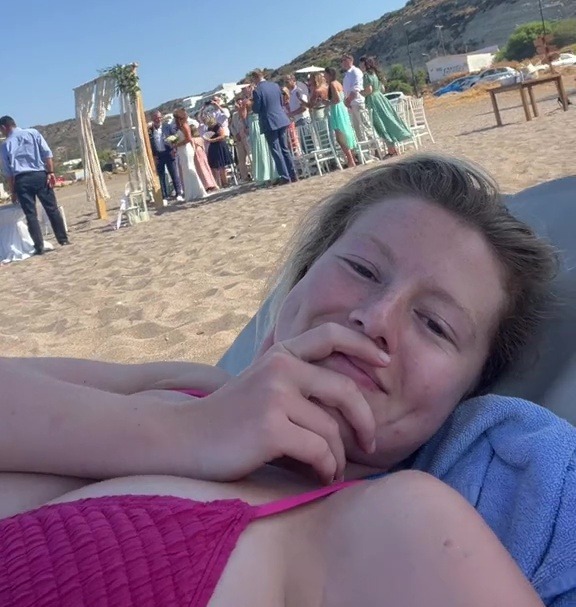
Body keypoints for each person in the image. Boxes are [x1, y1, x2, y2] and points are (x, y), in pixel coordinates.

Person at [1, 154, 574, 606]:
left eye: (435, 324)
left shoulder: (400, 533)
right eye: (361, 269)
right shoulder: (189, 388)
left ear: (464, 397)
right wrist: (187, 430)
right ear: (296, 286)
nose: (375, 319)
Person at [0, 115, 69, 255]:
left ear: (4, 128)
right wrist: (50, 172)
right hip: (39, 175)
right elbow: (47, 154)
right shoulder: (33, 133)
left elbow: (9, 173)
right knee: (52, 209)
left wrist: (13, 192)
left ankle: (39, 246)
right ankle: (63, 239)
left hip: (21, 180)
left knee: (31, 214)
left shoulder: (6, 145)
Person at [250, 69, 297, 186]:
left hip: (269, 122)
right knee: (285, 148)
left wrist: (252, 101)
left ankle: (285, 176)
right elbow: (281, 102)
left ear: (255, 78)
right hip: (281, 118)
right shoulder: (275, 86)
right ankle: (292, 174)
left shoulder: (257, 91)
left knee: (276, 150)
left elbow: (256, 109)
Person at [359, 56, 412, 155]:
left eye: (361, 64)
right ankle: (392, 148)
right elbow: (382, 88)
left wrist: (361, 93)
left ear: (365, 64)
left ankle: (391, 150)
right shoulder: (375, 74)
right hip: (380, 98)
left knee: (380, 124)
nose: (360, 66)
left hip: (373, 100)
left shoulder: (366, 75)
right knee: (387, 121)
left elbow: (369, 90)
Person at [324, 67, 357, 168]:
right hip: (342, 108)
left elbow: (337, 99)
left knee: (340, 137)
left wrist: (326, 102)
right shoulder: (338, 83)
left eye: (325, 74)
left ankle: (350, 160)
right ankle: (352, 158)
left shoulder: (333, 84)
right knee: (345, 133)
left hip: (337, 110)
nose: (324, 76)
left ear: (329, 75)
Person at [171, 108, 207, 201]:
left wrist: (177, 144)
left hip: (186, 149)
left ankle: (196, 192)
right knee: (186, 171)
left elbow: (188, 139)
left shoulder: (185, 125)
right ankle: (191, 192)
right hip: (182, 150)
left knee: (190, 169)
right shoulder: (181, 126)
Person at [148, 111, 184, 202]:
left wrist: (174, 149)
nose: (157, 119)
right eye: (155, 117)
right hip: (158, 155)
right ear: (152, 119)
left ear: (162, 118)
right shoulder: (150, 131)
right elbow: (148, 144)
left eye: (159, 117)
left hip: (168, 152)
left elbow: (176, 138)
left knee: (174, 174)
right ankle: (164, 195)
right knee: (161, 176)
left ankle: (178, 193)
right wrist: (153, 155)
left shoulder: (167, 127)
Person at [341, 54, 372, 143]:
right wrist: (347, 102)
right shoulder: (347, 75)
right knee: (357, 129)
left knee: (366, 126)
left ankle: (376, 148)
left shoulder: (355, 71)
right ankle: (366, 151)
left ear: (349, 61)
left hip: (358, 103)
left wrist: (348, 100)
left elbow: (356, 88)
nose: (342, 63)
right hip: (351, 104)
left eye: (343, 60)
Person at [205, 117, 233, 188]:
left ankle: (225, 182)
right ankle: (217, 183)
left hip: (219, 145)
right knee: (214, 166)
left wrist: (213, 140)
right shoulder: (209, 128)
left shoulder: (218, 126)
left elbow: (222, 136)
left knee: (222, 165)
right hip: (213, 147)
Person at [190, 125, 219, 192]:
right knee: (206, 167)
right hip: (202, 153)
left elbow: (193, 148)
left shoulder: (192, 139)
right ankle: (212, 183)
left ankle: (206, 185)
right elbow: (203, 147)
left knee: (200, 169)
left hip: (197, 153)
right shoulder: (200, 138)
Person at [229, 101, 252, 182]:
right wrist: (236, 134)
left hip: (247, 137)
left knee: (251, 155)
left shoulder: (246, 112)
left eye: (240, 104)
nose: (238, 106)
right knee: (241, 159)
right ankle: (245, 176)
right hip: (239, 138)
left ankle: (254, 173)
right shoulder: (234, 115)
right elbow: (231, 126)